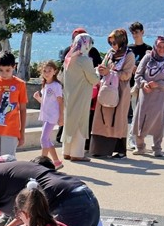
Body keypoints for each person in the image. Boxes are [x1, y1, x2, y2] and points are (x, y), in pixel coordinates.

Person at [90, 29, 136, 159]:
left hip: (121, 91)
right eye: (110, 43)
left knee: (118, 119)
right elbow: (104, 66)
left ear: (122, 41)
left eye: (115, 43)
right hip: (106, 89)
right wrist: (101, 70)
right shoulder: (110, 54)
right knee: (102, 117)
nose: (113, 46)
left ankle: (120, 150)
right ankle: (100, 149)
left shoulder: (129, 55)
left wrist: (109, 72)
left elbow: (127, 75)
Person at [131, 36, 164, 157]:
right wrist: (143, 83)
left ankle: (157, 147)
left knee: (159, 122)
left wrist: (159, 84)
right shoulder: (147, 58)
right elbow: (138, 74)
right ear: (155, 47)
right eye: (159, 46)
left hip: (161, 98)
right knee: (141, 120)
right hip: (145, 96)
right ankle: (140, 146)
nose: (162, 49)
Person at [61, 33, 100, 162]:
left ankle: (66, 151)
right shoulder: (85, 60)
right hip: (82, 95)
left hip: (69, 95)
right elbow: (93, 79)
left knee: (69, 122)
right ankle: (77, 153)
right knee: (80, 123)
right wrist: (98, 72)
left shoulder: (68, 59)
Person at [0, 51, 27, 159]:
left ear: (14, 67)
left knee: (7, 162)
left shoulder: (20, 84)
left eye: (8, 70)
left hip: (11, 130)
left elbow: (23, 110)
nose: (4, 73)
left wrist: (22, 133)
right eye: (1, 70)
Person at [33, 59, 64, 167]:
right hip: (46, 115)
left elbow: (60, 102)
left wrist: (61, 117)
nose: (46, 73)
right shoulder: (45, 85)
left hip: (52, 116)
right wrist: (38, 98)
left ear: (54, 71)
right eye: (45, 71)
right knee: (46, 139)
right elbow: (46, 102)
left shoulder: (56, 86)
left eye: (49, 71)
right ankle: (56, 162)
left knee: (43, 138)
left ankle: (42, 163)